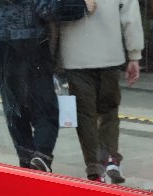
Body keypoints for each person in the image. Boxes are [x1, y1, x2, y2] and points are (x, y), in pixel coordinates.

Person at [59, 0, 144, 183]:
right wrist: (134, 55)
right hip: (110, 55)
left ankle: (94, 167)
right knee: (109, 112)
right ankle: (110, 158)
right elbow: (130, 16)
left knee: (85, 115)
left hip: (74, 55)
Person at [0, 0, 59, 172]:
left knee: (15, 110)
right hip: (34, 41)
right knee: (45, 108)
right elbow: (46, 9)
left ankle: (26, 161)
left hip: (1, 44)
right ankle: (41, 155)